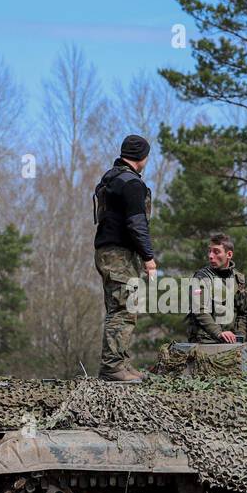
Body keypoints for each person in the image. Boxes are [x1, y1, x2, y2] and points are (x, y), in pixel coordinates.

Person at [93, 134, 156, 381]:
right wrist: (149, 258)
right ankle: (112, 367)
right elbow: (137, 223)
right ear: (142, 157)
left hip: (108, 251)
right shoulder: (131, 184)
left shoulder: (111, 178)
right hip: (119, 254)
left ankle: (122, 363)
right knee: (123, 308)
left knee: (120, 306)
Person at [187, 232, 247, 343]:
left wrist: (240, 336)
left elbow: (242, 313)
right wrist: (219, 333)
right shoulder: (201, 277)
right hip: (205, 341)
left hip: (231, 341)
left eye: (216, 252)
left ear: (229, 255)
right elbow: (200, 310)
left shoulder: (239, 280)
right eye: (210, 251)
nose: (210, 256)